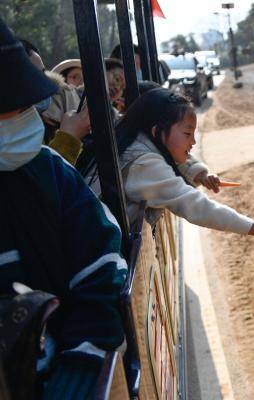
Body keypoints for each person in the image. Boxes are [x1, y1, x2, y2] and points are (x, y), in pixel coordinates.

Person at [0, 18, 127, 399]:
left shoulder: (49, 170)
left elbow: (101, 271)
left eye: (27, 105)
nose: (26, 118)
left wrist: (79, 369)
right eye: (9, 107)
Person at [78, 88, 254, 248]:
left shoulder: (135, 144)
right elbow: (197, 207)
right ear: (157, 132)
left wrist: (199, 172)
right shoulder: (144, 163)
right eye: (187, 134)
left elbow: (181, 162)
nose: (193, 142)